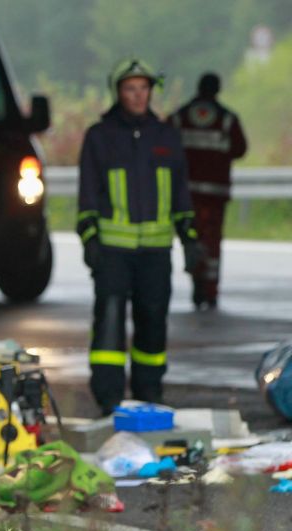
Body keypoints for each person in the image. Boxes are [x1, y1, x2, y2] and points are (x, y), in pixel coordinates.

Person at [76, 58, 202, 417]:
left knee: (152, 319)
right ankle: (109, 397)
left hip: (155, 252)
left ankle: (149, 392)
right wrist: (90, 238)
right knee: (110, 321)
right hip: (113, 251)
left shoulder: (166, 136)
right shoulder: (99, 137)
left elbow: (180, 193)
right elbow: (88, 194)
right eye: (131, 88)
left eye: (144, 88)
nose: (138, 95)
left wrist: (189, 238)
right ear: (118, 92)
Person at [168, 72, 248, 310]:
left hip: (185, 195)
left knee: (190, 239)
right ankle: (210, 290)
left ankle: (196, 281)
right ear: (217, 89)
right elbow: (240, 148)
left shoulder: (179, 117)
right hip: (214, 196)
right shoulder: (227, 119)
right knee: (212, 244)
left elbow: (160, 144)